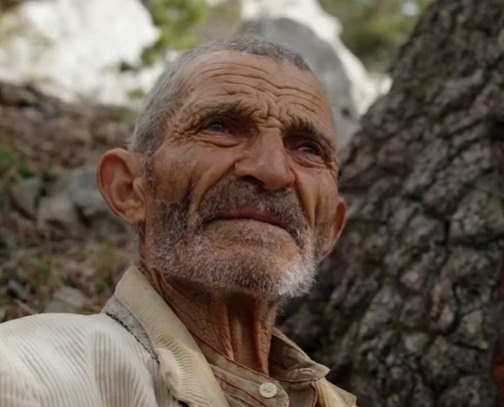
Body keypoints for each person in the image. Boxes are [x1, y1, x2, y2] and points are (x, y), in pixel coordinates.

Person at [0, 33, 355, 407]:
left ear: (329, 229)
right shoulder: (31, 372)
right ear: (129, 189)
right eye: (220, 127)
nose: (272, 170)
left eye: (306, 148)